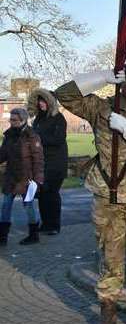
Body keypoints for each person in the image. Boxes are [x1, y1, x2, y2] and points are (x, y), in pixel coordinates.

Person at [55, 61, 126, 324]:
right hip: (110, 198)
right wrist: (103, 77)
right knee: (110, 257)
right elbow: (64, 94)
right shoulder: (101, 109)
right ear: (121, 81)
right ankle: (108, 312)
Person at [0, 108, 44, 246]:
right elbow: (3, 155)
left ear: (23, 120)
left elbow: (38, 160)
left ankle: (33, 235)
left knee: (29, 206)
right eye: (10, 120)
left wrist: (38, 180)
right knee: (5, 206)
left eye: (14, 120)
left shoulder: (32, 136)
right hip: (11, 177)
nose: (11, 122)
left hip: (27, 179)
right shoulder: (9, 136)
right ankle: (2, 237)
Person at [27, 88, 68, 236]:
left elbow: (58, 139)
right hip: (42, 164)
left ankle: (54, 226)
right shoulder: (38, 119)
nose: (41, 103)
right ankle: (46, 224)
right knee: (43, 194)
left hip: (56, 164)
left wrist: (38, 139)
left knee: (52, 194)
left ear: (50, 102)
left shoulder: (59, 118)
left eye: (43, 100)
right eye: (39, 101)